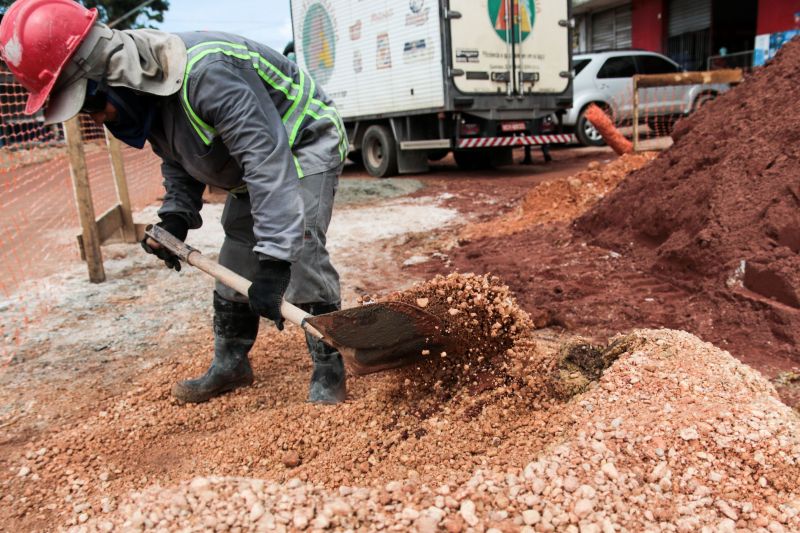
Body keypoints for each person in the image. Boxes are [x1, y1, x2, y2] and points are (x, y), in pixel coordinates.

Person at [0, 0, 348, 405]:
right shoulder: (153, 91)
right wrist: (177, 215)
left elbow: (266, 162)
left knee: (297, 246)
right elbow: (178, 154)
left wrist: (274, 263)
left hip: (302, 140)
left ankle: (329, 366)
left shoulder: (208, 75)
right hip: (253, 158)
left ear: (114, 80)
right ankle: (231, 363)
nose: (94, 119)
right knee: (237, 248)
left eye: (92, 105)